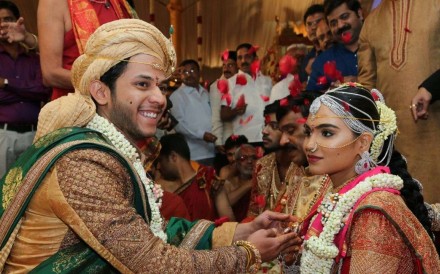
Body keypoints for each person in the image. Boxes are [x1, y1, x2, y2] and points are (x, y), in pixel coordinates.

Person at [0, 19, 301, 273]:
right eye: (143, 84)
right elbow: (152, 262)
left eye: (160, 86)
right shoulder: (83, 161)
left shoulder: (107, 147)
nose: (160, 98)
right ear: (101, 91)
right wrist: (248, 253)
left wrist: (238, 231)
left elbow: (149, 229)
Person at [299, 84, 439, 273]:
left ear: (363, 142)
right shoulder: (334, 190)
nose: (310, 145)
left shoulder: (373, 213)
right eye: (308, 132)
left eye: (327, 133)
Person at [358, 0, 440, 203]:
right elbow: (367, 84)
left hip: (434, 132)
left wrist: (431, 88)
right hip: (392, 144)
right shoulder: (371, 22)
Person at [37, 0, 136, 100]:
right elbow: (51, 75)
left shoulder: (118, 2)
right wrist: (109, 85)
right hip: (79, 105)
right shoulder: (54, 3)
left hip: (121, 100)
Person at [0, 0, 51, 177]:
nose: (3, 24)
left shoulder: (34, 58)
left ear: (17, 21)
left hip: (34, 134)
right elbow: (35, 91)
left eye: (8, 19)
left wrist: (6, 84)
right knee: (2, 191)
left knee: (32, 189)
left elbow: (44, 90)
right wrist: (30, 93)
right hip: (3, 135)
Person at [156, 133, 234, 221]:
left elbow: (228, 221)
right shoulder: (163, 189)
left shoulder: (208, 178)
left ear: (173, 157)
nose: (158, 166)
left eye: (160, 160)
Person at [221, 43, 272, 144]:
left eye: (247, 57)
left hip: (267, 138)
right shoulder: (230, 83)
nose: (243, 61)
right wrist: (235, 111)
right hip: (246, 140)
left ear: (255, 58)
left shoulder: (267, 81)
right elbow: (223, 114)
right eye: (240, 58)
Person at [306, 0, 363, 91]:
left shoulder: (380, 44)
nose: (340, 26)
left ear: (359, 14)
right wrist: (331, 92)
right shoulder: (322, 61)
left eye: (344, 17)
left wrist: (361, 82)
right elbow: (309, 99)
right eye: (333, 23)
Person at [170, 59, 217, 166]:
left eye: (192, 71)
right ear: (180, 75)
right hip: (193, 153)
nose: (189, 75)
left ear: (199, 72)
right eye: (185, 72)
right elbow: (179, 125)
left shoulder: (206, 92)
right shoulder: (177, 96)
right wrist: (202, 135)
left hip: (213, 150)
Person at [210, 50, 238, 152]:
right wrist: (218, 141)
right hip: (227, 140)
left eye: (230, 65)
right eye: (224, 65)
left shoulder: (244, 83)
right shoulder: (216, 86)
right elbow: (216, 116)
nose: (226, 69)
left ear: (237, 66)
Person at [224, 144, 257, 222]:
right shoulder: (229, 183)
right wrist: (249, 184)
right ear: (236, 162)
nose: (249, 161)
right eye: (243, 158)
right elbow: (226, 204)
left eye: (253, 158)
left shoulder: (265, 179)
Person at [299, 4, 325, 83]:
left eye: (318, 22)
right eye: (309, 24)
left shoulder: (338, 52)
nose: (313, 27)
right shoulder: (306, 59)